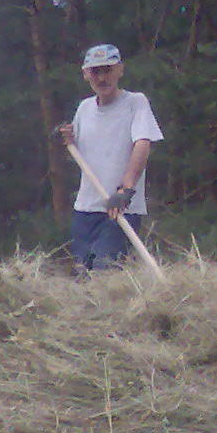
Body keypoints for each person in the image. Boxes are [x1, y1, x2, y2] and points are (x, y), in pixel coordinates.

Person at [57, 43, 163, 271]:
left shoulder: (136, 103)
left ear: (120, 70)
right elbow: (82, 153)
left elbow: (143, 143)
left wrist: (126, 189)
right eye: (95, 71)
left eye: (108, 70)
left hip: (120, 209)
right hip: (85, 209)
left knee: (106, 275)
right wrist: (69, 140)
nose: (102, 77)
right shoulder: (84, 108)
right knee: (82, 276)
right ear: (86, 74)